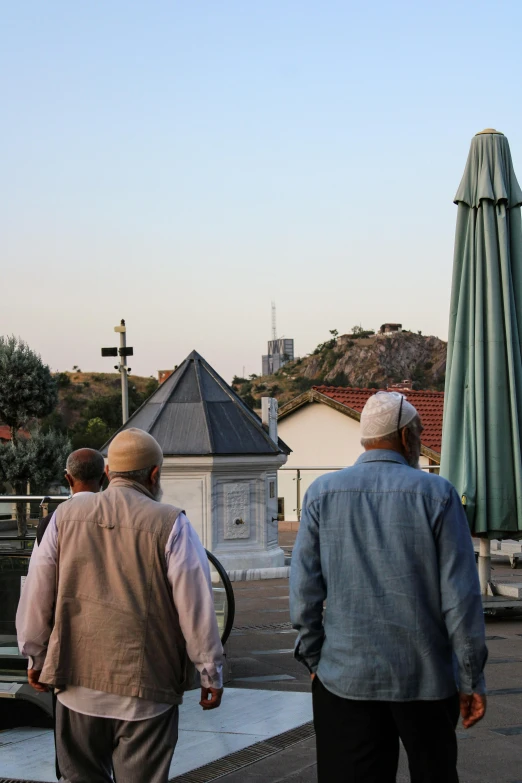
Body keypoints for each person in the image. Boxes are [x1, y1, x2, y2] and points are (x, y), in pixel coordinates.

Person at [290, 391, 487, 783]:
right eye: (418, 432)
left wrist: (315, 661)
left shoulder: (321, 494)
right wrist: (469, 679)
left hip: (344, 679)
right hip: (426, 681)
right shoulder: (439, 495)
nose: (420, 440)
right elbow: (461, 601)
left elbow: (304, 594)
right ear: (404, 438)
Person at [17, 428, 224, 783]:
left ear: (109, 473)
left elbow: (37, 592)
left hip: (75, 685)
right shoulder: (172, 523)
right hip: (146, 693)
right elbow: (196, 608)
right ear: (154, 474)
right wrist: (210, 671)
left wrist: (34, 655)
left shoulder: (63, 518)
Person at [36, 448, 105, 547]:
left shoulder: (51, 521)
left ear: (69, 479)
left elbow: (42, 561)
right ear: (103, 479)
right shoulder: (119, 515)